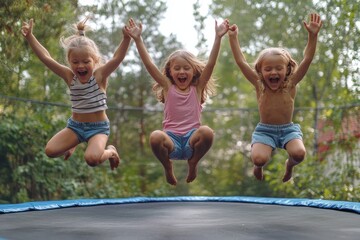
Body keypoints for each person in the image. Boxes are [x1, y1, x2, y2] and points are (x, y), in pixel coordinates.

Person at [125, 18, 229, 185]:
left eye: (186, 68)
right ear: (170, 72)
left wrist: (218, 38)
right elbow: (149, 65)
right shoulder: (167, 87)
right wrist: (138, 40)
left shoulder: (198, 88)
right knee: (155, 136)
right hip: (171, 141)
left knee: (207, 132)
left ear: (194, 71)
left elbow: (210, 64)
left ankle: (193, 162)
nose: (182, 71)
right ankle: (167, 166)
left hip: (191, 141)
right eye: (177, 68)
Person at [21, 17, 132, 170]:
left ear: (95, 60)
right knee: (50, 151)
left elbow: (117, 57)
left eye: (86, 62)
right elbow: (46, 58)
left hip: (98, 128)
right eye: (75, 62)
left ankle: (111, 152)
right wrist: (30, 37)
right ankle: (73, 144)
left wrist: (126, 38)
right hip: (75, 127)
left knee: (92, 159)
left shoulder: (99, 76)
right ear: (69, 61)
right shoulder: (69, 77)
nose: (80, 66)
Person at [228, 13, 322, 182]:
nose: (273, 72)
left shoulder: (291, 84)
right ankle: (257, 167)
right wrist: (233, 38)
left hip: (288, 130)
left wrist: (312, 36)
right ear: (261, 72)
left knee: (299, 154)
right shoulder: (259, 85)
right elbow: (242, 62)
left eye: (279, 68)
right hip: (265, 131)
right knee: (258, 159)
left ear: (287, 70)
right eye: (268, 69)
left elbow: (307, 59)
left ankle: (289, 165)